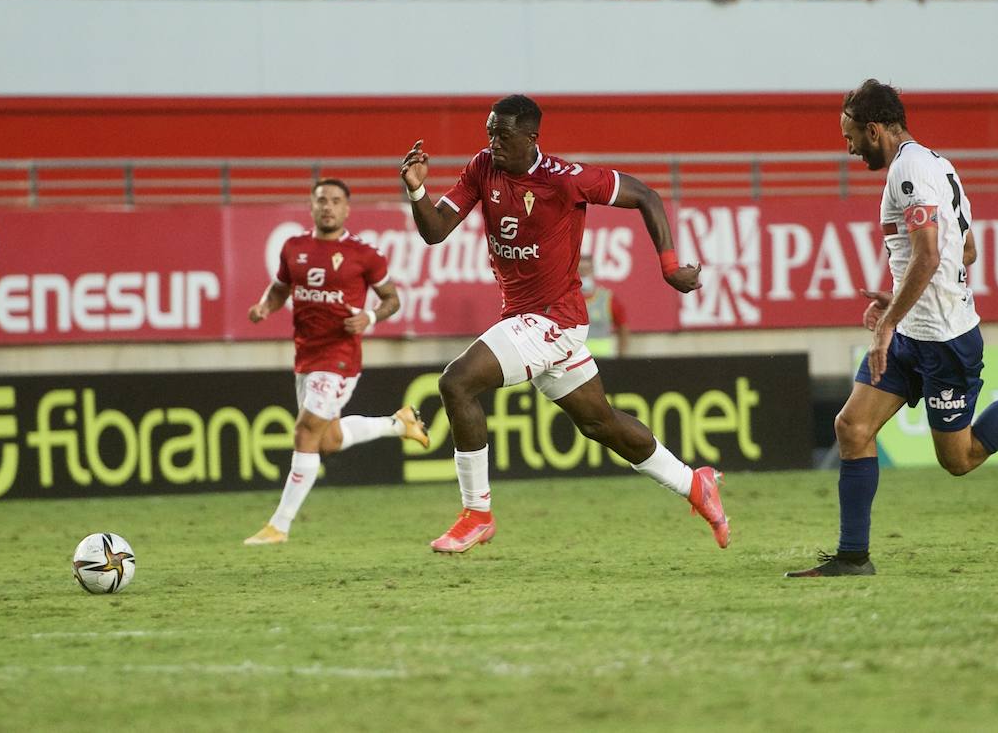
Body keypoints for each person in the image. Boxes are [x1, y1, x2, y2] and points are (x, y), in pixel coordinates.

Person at [784, 80, 998, 578]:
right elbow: (965, 250)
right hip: (913, 333)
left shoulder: (909, 172)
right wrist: (898, 297)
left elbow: (928, 252)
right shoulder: (937, 165)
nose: (849, 147)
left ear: (875, 129)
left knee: (959, 459)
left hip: (944, 341)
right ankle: (853, 556)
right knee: (852, 428)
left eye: (851, 135)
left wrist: (889, 322)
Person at [397, 95, 729, 554]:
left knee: (456, 384)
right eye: (489, 131)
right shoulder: (482, 168)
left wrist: (670, 266)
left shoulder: (567, 180)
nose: (493, 142)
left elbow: (646, 196)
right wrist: (417, 190)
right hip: (528, 320)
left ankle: (477, 513)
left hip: (552, 320)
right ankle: (696, 484)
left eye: (503, 134)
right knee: (600, 423)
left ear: (531, 137)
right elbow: (435, 231)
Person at [243, 179, 428, 545]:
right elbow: (281, 288)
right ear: (311, 206)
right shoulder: (293, 248)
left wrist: (370, 318)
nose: (328, 206)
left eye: (335, 201)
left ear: (347, 209)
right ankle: (399, 423)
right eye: (321, 200)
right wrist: (266, 305)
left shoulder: (365, 254)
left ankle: (279, 526)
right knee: (326, 439)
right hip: (306, 357)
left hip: (341, 358)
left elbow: (391, 299)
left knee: (305, 430)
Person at [580, 255, 628, 357]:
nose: (584, 275)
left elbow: (622, 326)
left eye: (587, 270)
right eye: (581, 271)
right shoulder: (568, 300)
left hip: (603, 359)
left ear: (593, 271)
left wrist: (622, 355)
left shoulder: (606, 298)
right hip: (578, 360)